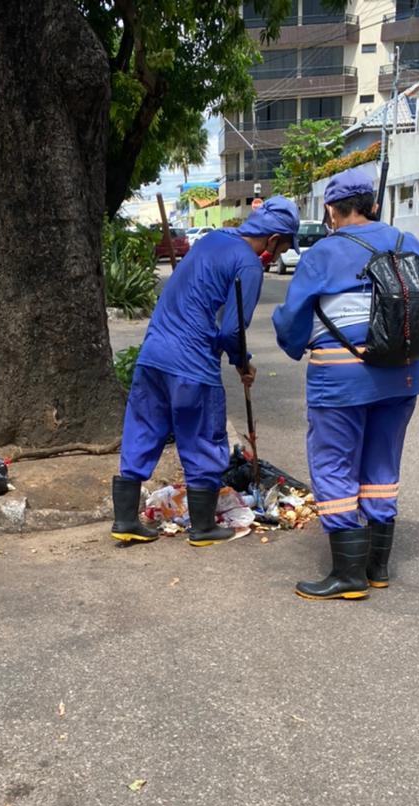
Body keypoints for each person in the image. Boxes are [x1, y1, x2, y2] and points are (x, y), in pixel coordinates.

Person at [272, 169, 419, 599]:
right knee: (382, 465)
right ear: (371, 203)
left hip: (341, 376)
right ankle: (378, 567)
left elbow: (294, 318)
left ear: (332, 211)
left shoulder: (324, 253)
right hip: (404, 372)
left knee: (334, 464)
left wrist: (293, 344)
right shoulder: (409, 243)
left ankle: (348, 575)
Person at [112, 198, 300, 547]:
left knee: (143, 429)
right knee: (202, 437)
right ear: (273, 239)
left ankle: (125, 520)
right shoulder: (249, 267)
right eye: (285, 246)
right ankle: (202, 528)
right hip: (192, 364)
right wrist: (243, 363)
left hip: (152, 355)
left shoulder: (211, 240)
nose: (278, 256)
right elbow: (231, 331)